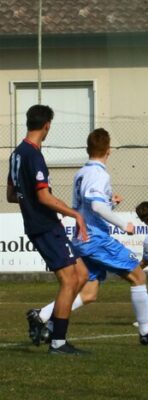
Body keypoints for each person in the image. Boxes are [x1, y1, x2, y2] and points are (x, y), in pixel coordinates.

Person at [27, 129, 148, 346]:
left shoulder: (81, 173)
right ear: (109, 150)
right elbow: (96, 206)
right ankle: (146, 331)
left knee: (89, 292)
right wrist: (124, 224)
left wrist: (110, 203)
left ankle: (43, 318)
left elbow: (90, 205)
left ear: (88, 149)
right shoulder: (99, 174)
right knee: (138, 276)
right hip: (94, 238)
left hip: (82, 237)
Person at [7, 105, 89, 355]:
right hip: (44, 225)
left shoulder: (16, 154)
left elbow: (12, 195)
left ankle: (50, 324)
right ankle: (58, 342)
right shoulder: (33, 155)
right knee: (69, 280)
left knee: (81, 274)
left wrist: (30, 201)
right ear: (47, 126)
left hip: (39, 224)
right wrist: (74, 213)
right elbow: (43, 196)